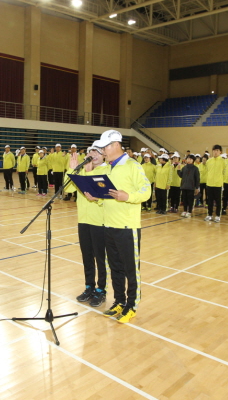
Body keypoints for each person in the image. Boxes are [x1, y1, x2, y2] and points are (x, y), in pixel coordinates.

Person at [85, 129, 151, 324]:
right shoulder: (108, 168)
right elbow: (105, 196)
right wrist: (96, 198)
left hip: (127, 227)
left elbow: (146, 191)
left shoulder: (133, 166)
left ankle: (132, 305)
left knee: (131, 269)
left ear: (115, 145)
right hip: (108, 225)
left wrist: (128, 197)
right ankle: (119, 302)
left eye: (104, 147)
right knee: (115, 267)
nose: (103, 151)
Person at [72, 142, 109, 307]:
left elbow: (104, 197)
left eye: (97, 151)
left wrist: (88, 174)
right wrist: (73, 169)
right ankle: (89, 286)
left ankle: (101, 289)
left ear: (103, 155)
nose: (93, 154)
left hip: (99, 221)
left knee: (100, 257)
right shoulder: (82, 170)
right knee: (86, 255)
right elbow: (68, 190)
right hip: (83, 220)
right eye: (90, 151)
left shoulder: (107, 171)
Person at [204, 145, 226, 222]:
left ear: (220, 152)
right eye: (214, 150)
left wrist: (222, 183)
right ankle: (209, 214)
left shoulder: (223, 161)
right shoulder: (209, 161)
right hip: (209, 184)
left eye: (217, 150)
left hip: (218, 184)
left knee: (218, 201)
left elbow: (224, 173)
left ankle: (217, 215)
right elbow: (207, 171)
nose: (215, 152)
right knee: (209, 201)